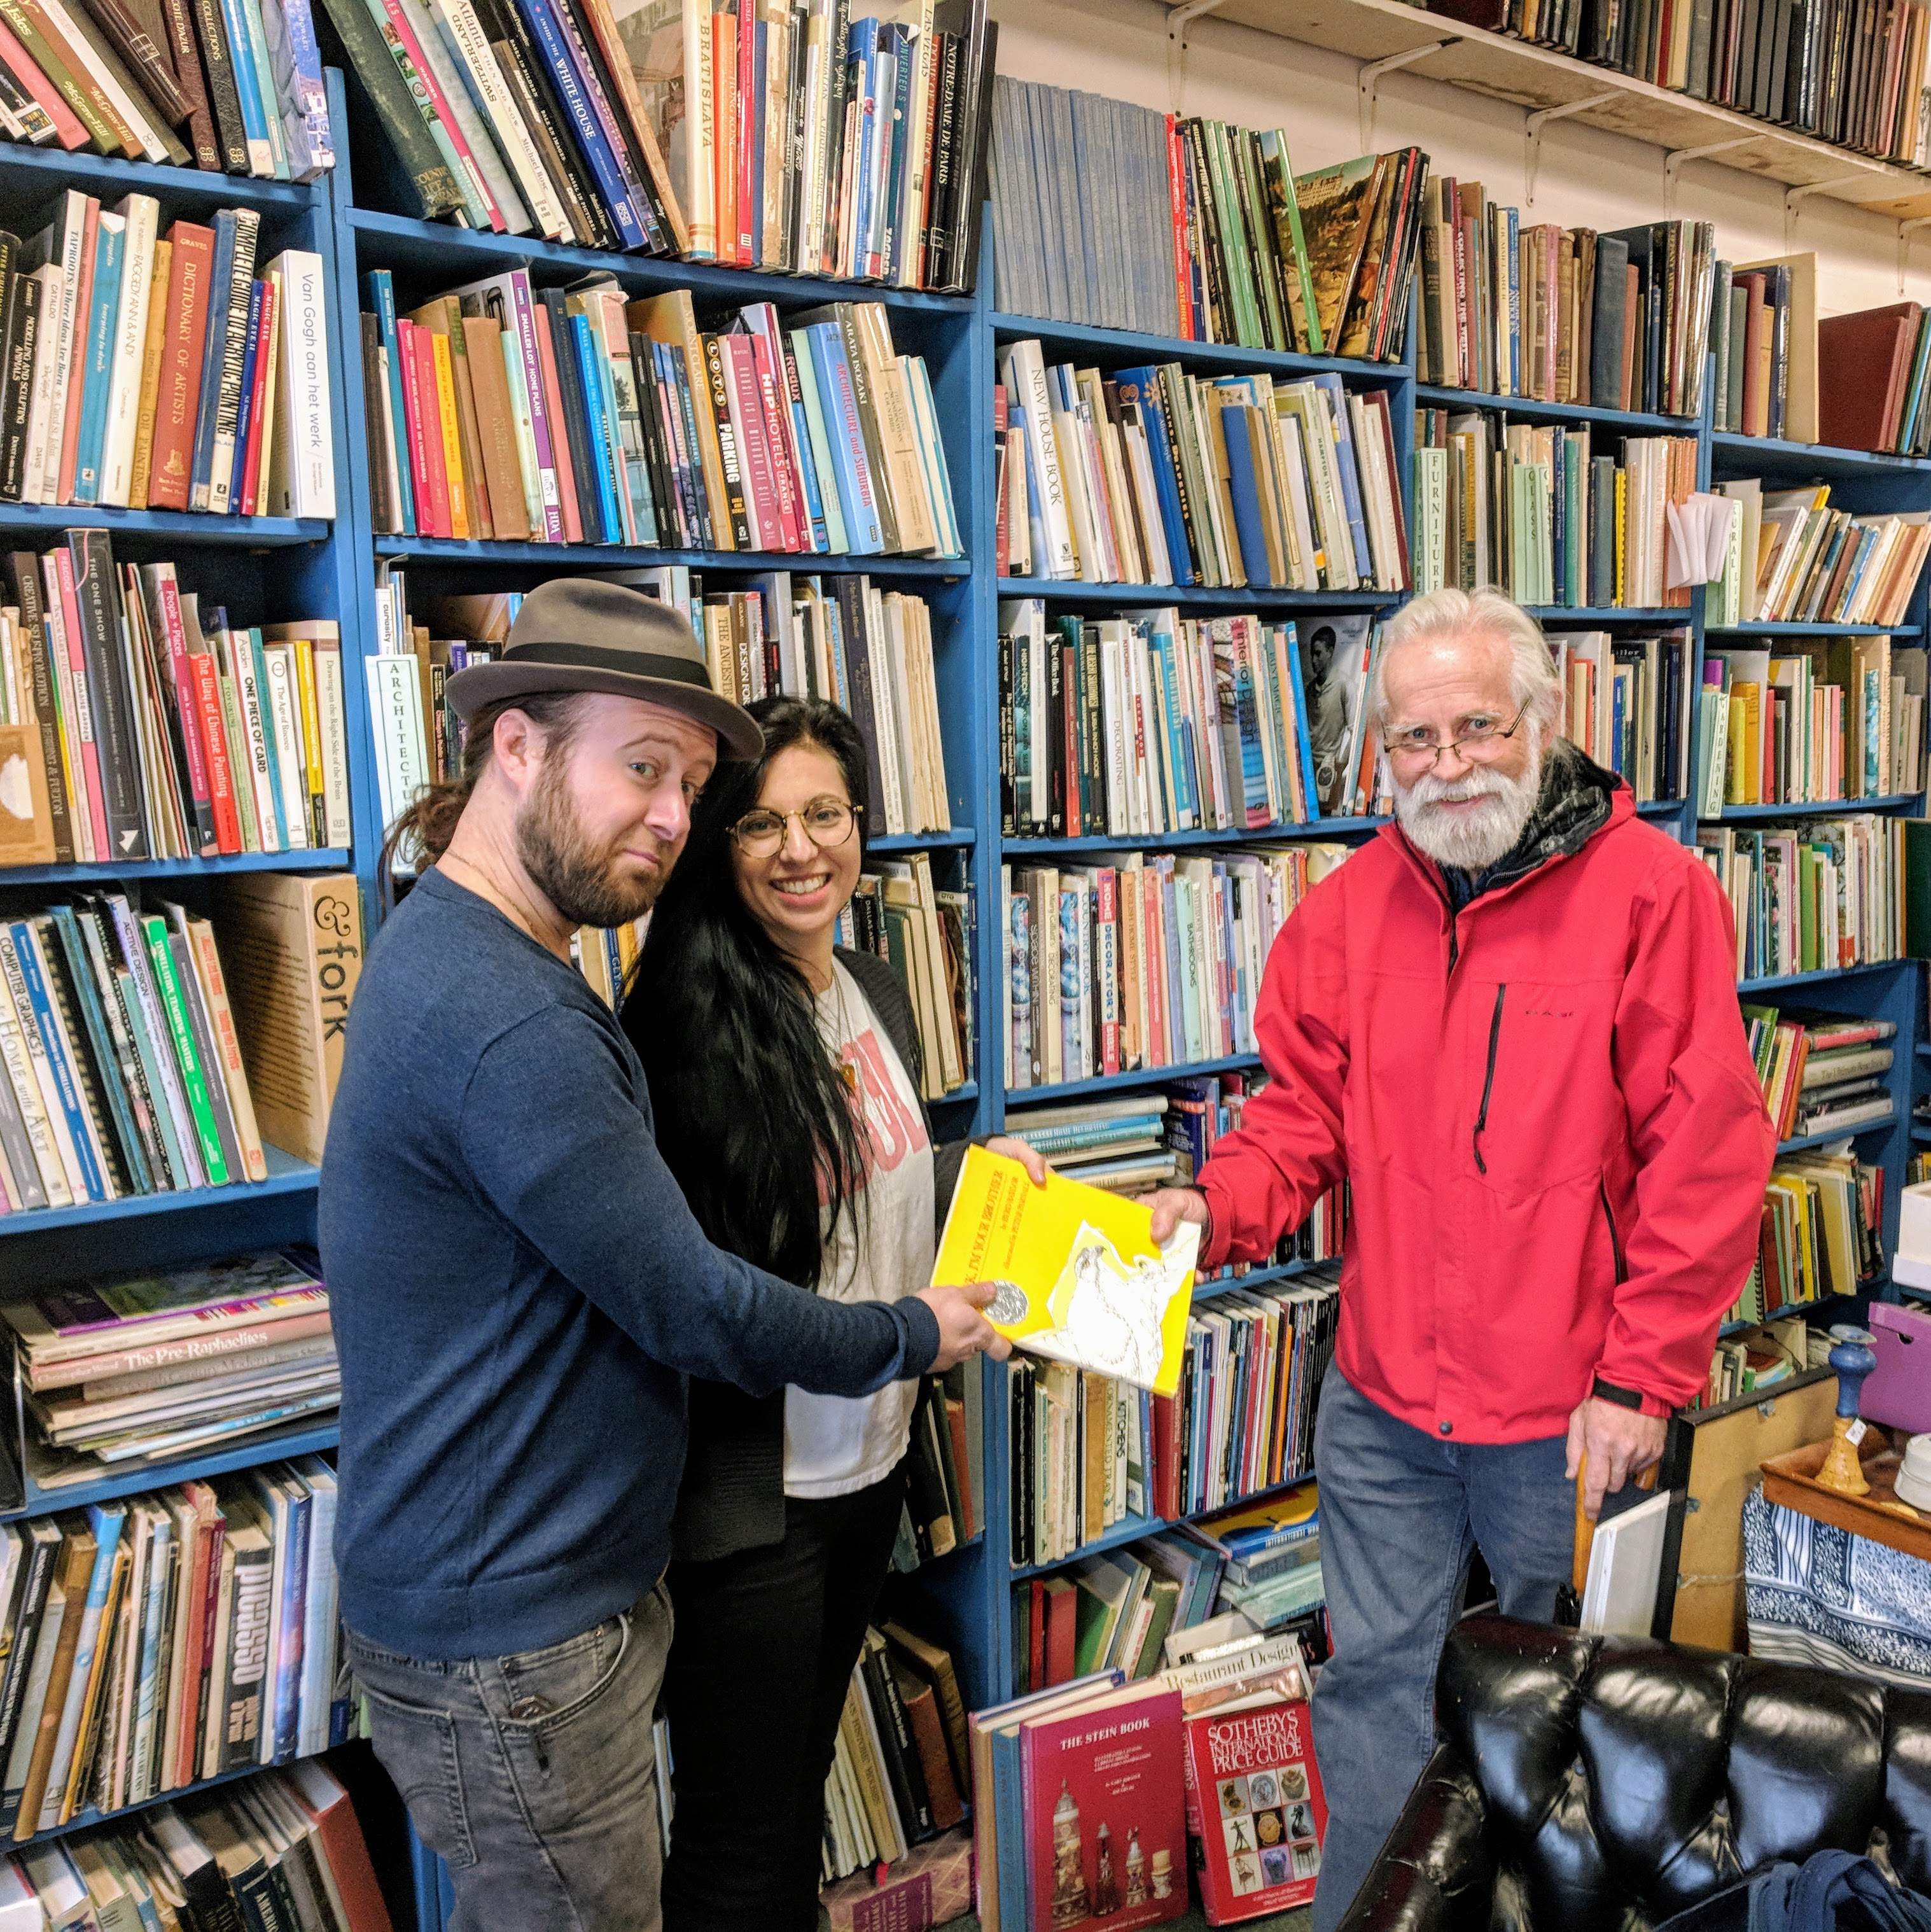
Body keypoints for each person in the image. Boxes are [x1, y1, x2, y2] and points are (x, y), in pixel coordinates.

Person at [317, 582, 1006, 1932]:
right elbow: (695, 1301)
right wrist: (911, 1333)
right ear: (518, 745)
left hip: (537, 1602)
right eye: (644, 769)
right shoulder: (517, 1019)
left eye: (691, 785)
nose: (674, 817)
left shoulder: (481, 953)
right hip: (518, 1632)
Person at [1143, 586, 1776, 1931]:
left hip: (1570, 1415)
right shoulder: (1345, 912)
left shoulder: (1654, 895)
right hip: (1385, 1401)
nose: (1447, 766)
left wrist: (1642, 1377)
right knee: (1373, 1685)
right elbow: (1298, 1120)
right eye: (1414, 740)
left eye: (1477, 728)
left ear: (1542, 721)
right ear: (1380, 751)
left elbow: (1707, 1156)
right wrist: (1210, 1206)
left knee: (1576, 1711)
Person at [626, 694, 1040, 1932]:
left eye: (827, 815)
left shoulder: (873, 987)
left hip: (871, 1464)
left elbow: (873, 1183)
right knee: (740, 1838)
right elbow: (709, 1295)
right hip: (759, 1503)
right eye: (763, 823)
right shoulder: (683, 1027)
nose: (801, 849)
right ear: (719, 841)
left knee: (796, 1784)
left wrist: (982, 1183)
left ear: (862, 824)